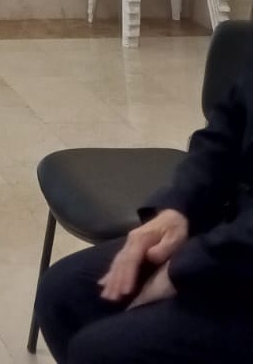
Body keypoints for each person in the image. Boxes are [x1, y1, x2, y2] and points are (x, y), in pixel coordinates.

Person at [33, 37, 253, 363]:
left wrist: (185, 269)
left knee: (99, 351)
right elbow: (227, 128)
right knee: (63, 295)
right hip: (230, 231)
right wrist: (177, 207)